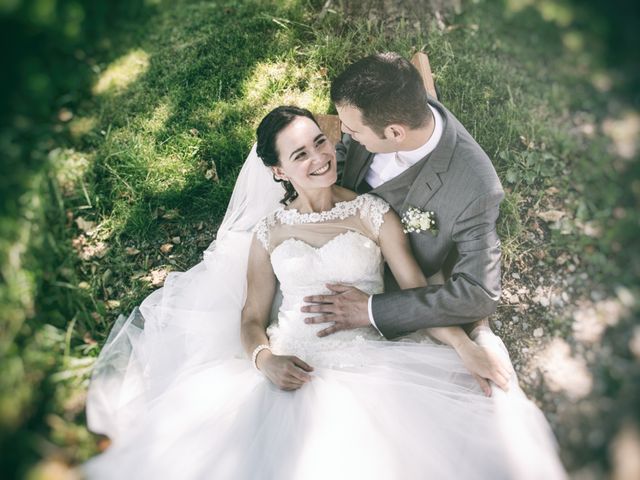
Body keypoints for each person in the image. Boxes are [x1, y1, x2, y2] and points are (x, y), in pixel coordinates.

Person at [83, 106, 566, 479]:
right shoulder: (269, 232)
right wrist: (264, 360)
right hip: (293, 365)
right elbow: (252, 315)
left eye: (320, 142)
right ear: (278, 171)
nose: (320, 159)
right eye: (300, 155)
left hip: (372, 365)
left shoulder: (371, 213)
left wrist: (464, 345)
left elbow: (416, 292)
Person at [303, 53, 504, 360]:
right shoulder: (379, 107)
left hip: (397, 278)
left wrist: (371, 310)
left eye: (354, 131)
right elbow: (344, 154)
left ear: (395, 133)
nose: (344, 133)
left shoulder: (476, 189)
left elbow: (478, 293)